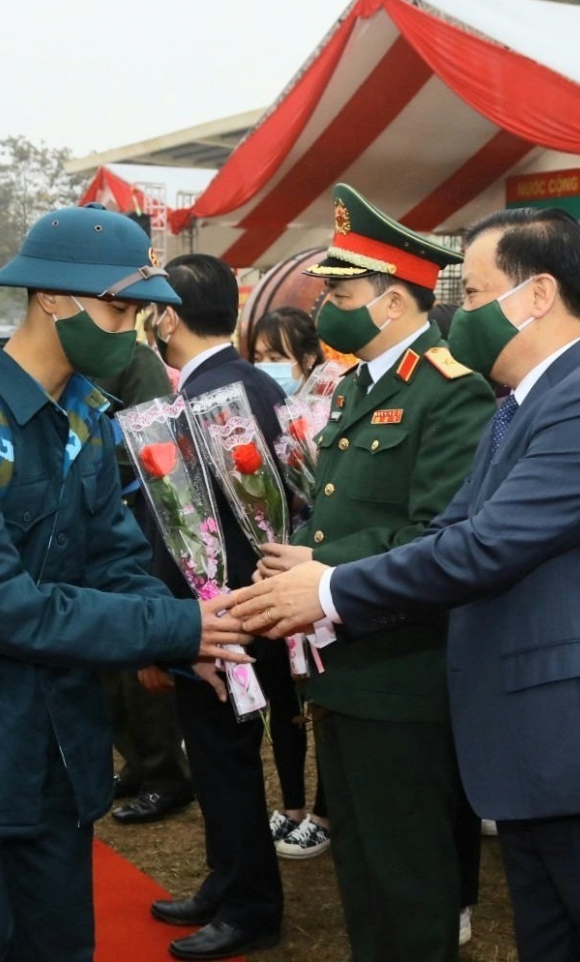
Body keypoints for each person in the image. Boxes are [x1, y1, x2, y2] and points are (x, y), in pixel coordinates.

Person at [233, 205, 580, 962]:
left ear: (538, 294)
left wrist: (329, 592)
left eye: (478, 296)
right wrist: (333, 573)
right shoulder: (523, 402)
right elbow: (451, 532)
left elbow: (484, 547)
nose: (463, 316)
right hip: (538, 744)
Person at [0, 206, 250, 962]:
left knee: (59, 945)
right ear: (54, 298)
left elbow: (115, 558)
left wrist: (186, 628)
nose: (132, 331)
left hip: (55, 755)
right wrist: (176, 629)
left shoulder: (87, 419)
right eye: (120, 308)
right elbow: (4, 607)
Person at [252, 184, 495, 961]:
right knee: (361, 863)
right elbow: (343, 507)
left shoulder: (451, 391)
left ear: (392, 302)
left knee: (408, 871)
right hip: (346, 663)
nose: (324, 302)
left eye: (340, 290)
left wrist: (323, 566)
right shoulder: (360, 383)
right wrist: (303, 552)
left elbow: (440, 534)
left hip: (404, 671)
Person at [145, 253, 286, 961]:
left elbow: (216, 524)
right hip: (233, 608)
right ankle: (227, 877)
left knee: (226, 759)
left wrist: (203, 619)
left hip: (223, 615)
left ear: (166, 316)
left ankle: (249, 902)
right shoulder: (247, 380)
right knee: (215, 755)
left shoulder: (214, 397)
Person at [94, 341, 196, 825]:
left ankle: (165, 776)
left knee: (141, 656)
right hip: (95, 519)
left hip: (136, 515)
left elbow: (149, 438)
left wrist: (85, 464)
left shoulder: (133, 360)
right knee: (107, 661)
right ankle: (135, 760)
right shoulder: (74, 354)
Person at [244, 305, 330, 849]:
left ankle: (323, 814)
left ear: (305, 357)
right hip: (277, 566)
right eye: (258, 357)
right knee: (281, 696)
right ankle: (292, 802)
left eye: (276, 357)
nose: (266, 366)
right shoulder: (268, 410)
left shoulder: (329, 408)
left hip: (318, 575)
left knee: (319, 699)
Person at [248, 306, 325, 395]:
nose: (263, 368)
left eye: (274, 358)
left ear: (308, 360)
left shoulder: (329, 406)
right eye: (257, 359)